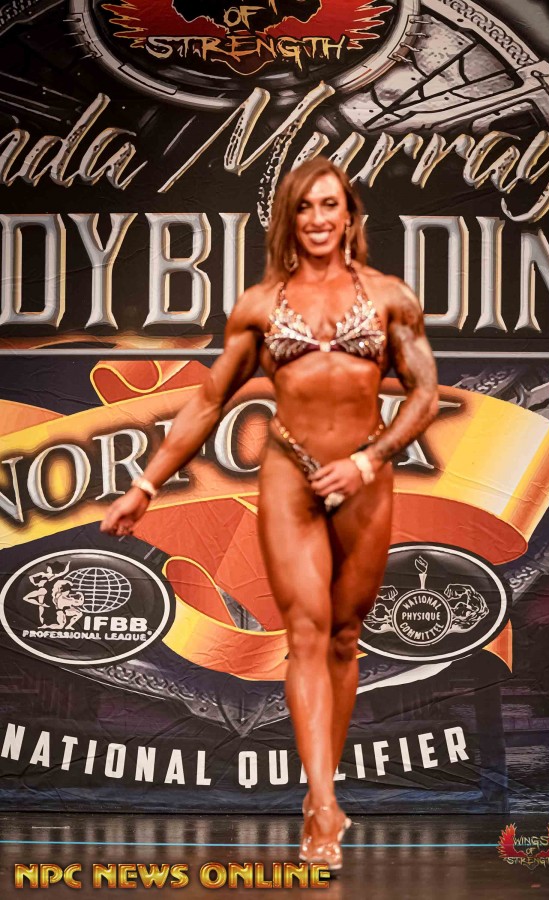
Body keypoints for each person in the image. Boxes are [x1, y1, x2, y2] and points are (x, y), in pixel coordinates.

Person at [100, 157, 438, 870]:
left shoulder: (389, 298)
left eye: (330, 205)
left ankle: (325, 783)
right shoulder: (259, 306)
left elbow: (424, 394)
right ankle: (322, 802)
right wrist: (145, 485)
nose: (318, 219)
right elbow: (206, 402)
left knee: (344, 637)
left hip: (366, 476)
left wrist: (369, 461)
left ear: (350, 215)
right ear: (289, 217)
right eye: (305, 207)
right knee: (306, 633)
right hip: (289, 472)